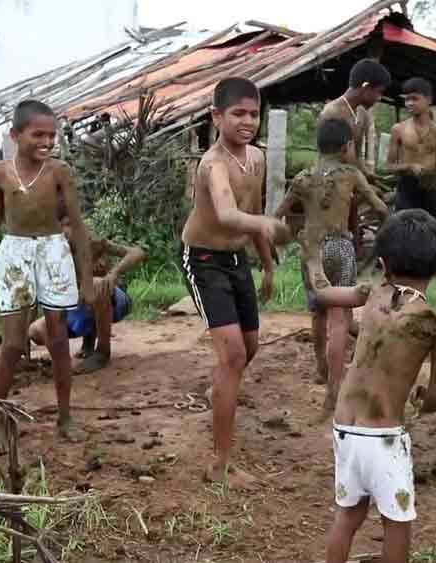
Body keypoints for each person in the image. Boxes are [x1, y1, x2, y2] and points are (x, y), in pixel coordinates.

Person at [0, 99, 95, 442]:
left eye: (52, 135)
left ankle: (65, 417)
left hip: (54, 252)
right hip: (15, 254)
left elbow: (77, 224)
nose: (46, 141)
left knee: (58, 339)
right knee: (12, 343)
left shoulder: (60, 172)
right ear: (15, 135)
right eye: (37, 134)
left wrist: (86, 278)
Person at [315, 209, 436, 563]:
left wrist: (312, 260)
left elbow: (326, 294)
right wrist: (426, 397)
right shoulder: (435, 324)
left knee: (348, 516)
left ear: (383, 262)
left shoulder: (372, 294)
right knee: (397, 524)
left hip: (345, 428)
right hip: (384, 439)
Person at [178, 77, 287, 486]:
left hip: (237, 257)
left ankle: (218, 390)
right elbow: (226, 213)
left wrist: (268, 265)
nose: (248, 121)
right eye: (238, 113)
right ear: (216, 116)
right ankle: (219, 465)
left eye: (254, 114)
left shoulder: (255, 159)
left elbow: (251, 209)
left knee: (249, 348)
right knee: (233, 356)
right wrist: (265, 223)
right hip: (204, 259)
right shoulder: (212, 164)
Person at [275, 118, 390, 414]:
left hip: (312, 251)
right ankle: (334, 390)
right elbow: (378, 207)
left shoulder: (302, 177)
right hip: (340, 248)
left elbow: (277, 215)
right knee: (341, 318)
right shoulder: (350, 174)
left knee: (318, 313)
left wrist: (286, 240)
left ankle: (321, 368)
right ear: (347, 147)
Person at [310, 59, 392, 379]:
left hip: (346, 204)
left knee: (331, 294)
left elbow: (352, 162)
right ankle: (325, 364)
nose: (380, 99)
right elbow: (337, 166)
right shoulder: (333, 113)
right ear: (367, 88)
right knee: (328, 300)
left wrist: (366, 180)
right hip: (332, 209)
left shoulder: (357, 113)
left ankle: (331, 357)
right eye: (380, 93)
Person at [28, 210, 146, 374]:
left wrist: (114, 274)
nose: (64, 231)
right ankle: (66, 361)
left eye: (69, 225)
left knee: (95, 285)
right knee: (35, 330)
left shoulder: (93, 243)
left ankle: (102, 352)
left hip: (114, 301)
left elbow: (137, 252)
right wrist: (24, 349)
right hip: (77, 311)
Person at [386, 77, 436, 306]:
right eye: (407, 99)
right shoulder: (399, 130)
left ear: (429, 100)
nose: (409, 104)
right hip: (407, 188)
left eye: (415, 98)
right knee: (400, 240)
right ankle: (397, 298)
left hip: (432, 189)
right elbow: (388, 166)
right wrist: (409, 167)